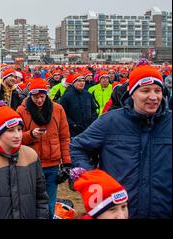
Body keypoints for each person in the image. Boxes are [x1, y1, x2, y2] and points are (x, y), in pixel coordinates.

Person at [70, 61, 172, 218]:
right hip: (120, 211)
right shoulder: (110, 121)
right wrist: (90, 177)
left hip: (163, 210)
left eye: (157, 90)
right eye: (145, 91)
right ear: (132, 92)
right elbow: (77, 147)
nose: (153, 97)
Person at [17, 78, 71, 219]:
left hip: (52, 164)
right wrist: (31, 134)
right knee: (31, 201)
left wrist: (66, 163)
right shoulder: (22, 111)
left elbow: (64, 137)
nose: (39, 100)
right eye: (36, 97)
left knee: (50, 203)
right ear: (30, 96)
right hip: (31, 164)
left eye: (42, 97)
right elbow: (15, 138)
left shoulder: (58, 109)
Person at [59, 73, 98, 138]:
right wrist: (73, 125)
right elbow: (62, 113)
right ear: (73, 83)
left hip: (87, 128)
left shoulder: (87, 94)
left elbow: (94, 109)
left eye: (83, 81)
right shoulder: (67, 96)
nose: (82, 83)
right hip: (73, 131)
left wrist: (92, 121)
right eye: (79, 81)